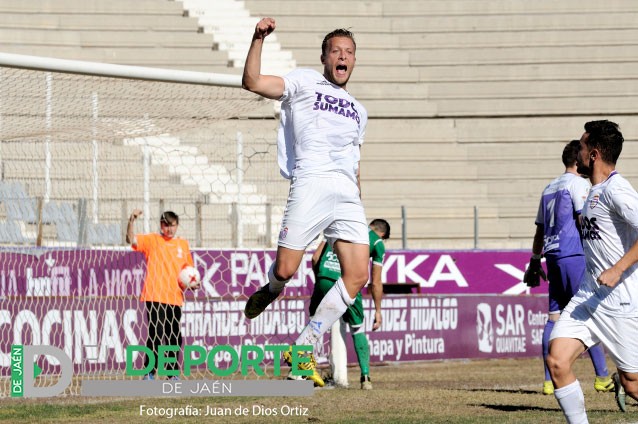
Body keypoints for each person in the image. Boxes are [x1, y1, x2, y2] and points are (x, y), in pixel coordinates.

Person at [241, 17, 370, 387]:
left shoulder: (359, 111)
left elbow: (354, 159)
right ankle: (272, 290)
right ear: (325, 58)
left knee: (358, 274)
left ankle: (304, 344)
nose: (342, 57)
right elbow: (252, 82)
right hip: (311, 183)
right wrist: (257, 39)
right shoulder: (303, 80)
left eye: (349, 52)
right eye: (336, 51)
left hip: (346, 194)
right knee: (284, 269)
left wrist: (358, 199)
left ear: (354, 61)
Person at [546, 120, 638, 421]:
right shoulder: (592, 190)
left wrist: (617, 268)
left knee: (633, 383)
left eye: (582, 147)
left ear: (594, 154)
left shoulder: (617, 190)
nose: (579, 154)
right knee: (557, 361)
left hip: (620, 301)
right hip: (589, 296)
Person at [524, 140, 613, 396]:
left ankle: (549, 381)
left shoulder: (549, 187)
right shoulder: (578, 185)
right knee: (590, 310)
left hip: (552, 256)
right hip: (573, 254)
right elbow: (583, 220)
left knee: (553, 317)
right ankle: (602, 377)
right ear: (578, 159)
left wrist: (533, 260)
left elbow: (540, 229)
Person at [310, 218, 390, 390]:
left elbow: (316, 257)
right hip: (348, 282)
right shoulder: (376, 242)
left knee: (312, 325)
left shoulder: (341, 227)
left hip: (324, 276)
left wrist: (321, 281)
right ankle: (365, 377)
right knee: (357, 328)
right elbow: (375, 282)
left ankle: (299, 372)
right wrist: (378, 310)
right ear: (382, 234)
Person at [126, 209, 198, 380]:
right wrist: (131, 219)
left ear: (177, 225)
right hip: (155, 295)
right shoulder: (152, 240)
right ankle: (149, 373)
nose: (170, 229)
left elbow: (188, 271)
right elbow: (130, 239)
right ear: (161, 225)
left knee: (174, 337)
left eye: (172, 225)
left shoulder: (183, 244)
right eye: (166, 225)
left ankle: (172, 374)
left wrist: (194, 283)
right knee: (156, 336)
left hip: (175, 297)